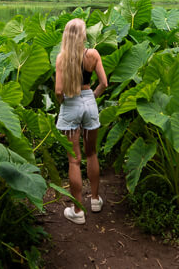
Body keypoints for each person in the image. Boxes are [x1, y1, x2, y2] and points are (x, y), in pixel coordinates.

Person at [55, 18, 108, 224]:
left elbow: (59, 91)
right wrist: (92, 96)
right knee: (91, 152)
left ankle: (78, 211)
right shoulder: (92, 54)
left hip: (71, 103)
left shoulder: (62, 58)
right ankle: (95, 200)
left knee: (74, 159)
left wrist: (63, 103)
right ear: (83, 35)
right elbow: (104, 82)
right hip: (88, 101)